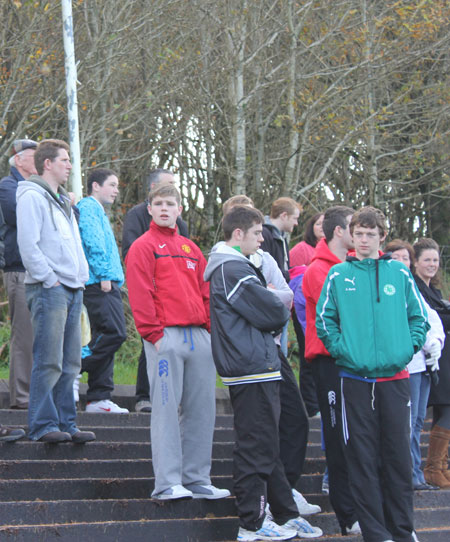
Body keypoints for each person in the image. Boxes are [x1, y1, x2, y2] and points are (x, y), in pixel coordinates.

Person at [205, 205, 322, 541]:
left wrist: (272, 300)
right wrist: (272, 299)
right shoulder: (230, 268)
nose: (263, 239)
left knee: (268, 444)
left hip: (261, 364)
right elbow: (273, 312)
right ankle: (252, 523)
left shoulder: (240, 265)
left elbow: (276, 306)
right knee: (255, 445)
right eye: (258, 233)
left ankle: (285, 513)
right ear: (238, 234)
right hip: (249, 367)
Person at [316, 206, 429, 542]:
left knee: (397, 458)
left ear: (381, 236)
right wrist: (344, 351)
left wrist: (406, 349)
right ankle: (376, 534)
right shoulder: (338, 275)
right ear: (351, 235)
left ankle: (403, 531)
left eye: (370, 234)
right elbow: (325, 321)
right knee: (362, 459)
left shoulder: (399, 273)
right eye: (359, 233)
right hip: (355, 381)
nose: (364, 240)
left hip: (396, 380)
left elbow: (418, 317)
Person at [126, 182, 229, 501]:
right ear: (150, 209)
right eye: (159, 204)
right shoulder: (142, 246)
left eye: (170, 204)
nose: (165, 209)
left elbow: (205, 291)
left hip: (198, 335)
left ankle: (197, 478)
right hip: (165, 336)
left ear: (179, 209)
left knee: (203, 410)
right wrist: (153, 334)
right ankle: (167, 482)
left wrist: (211, 330)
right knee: (166, 411)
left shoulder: (191, 248)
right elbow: (140, 292)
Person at [16, 139, 95, 443]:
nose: (70, 166)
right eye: (64, 160)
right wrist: (50, 279)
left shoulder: (62, 200)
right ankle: (43, 424)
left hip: (72, 288)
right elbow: (28, 245)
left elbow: (72, 244)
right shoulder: (32, 197)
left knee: (71, 361)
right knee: (49, 359)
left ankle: (66, 423)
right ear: (47, 163)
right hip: (51, 289)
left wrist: (80, 277)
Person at [302, 205, 359, 536]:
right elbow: (338, 316)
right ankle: (347, 514)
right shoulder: (317, 270)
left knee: (358, 437)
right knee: (339, 439)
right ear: (339, 231)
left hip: (356, 364)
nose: (361, 234)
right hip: (330, 362)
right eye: (355, 228)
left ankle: (361, 507)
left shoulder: (353, 266)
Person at [122, 168, 188, 413]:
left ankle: (176, 396)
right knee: (149, 342)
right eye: (167, 184)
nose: (172, 187)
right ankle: (144, 396)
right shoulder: (136, 215)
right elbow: (130, 251)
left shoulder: (180, 222)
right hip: (151, 289)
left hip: (178, 295)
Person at [386, 239, 444, 491]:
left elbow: (429, 318)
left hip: (423, 365)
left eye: (405, 258)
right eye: (396, 258)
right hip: (404, 364)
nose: (402, 262)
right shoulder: (390, 288)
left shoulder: (412, 287)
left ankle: (415, 474)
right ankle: (405, 475)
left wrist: (435, 342)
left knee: (418, 420)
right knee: (407, 422)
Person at [77, 168, 128, 413]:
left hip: (107, 281)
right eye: (112, 184)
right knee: (114, 333)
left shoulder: (98, 209)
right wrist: (105, 274)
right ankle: (74, 367)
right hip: (100, 283)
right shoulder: (88, 206)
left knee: (104, 335)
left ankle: (99, 397)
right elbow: (92, 240)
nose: (116, 190)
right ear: (96, 186)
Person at [0, 139, 37, 409]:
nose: (42, 161)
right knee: (24, 337)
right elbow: (21, 217)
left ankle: (35, 394)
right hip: (19, 269)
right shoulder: (7, 186)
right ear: (20, 160)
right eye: (36, 156)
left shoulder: (37, 189)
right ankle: (22, 399)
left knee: (38, 336)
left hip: (39, 270)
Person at [412, 238, 450, 489]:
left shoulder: (434, 291)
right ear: (415, 262)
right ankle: (432, 467)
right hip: (428, 361)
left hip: (441, 360)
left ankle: (439, 467)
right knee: (438, 413)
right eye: (427, 259)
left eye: (435, 260)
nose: (432, 264)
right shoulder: (416, 288)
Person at [289, 213, 324, 419]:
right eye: (318, 223)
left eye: (324, 224)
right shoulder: (301, 249)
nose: (321, 227)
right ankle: (311, 404)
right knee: (307, 358)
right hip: (304, 311)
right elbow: (293, 278)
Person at [261, 197, 302, 356]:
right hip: (271, 297)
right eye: (295, 218)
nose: (296, 223)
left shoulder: (281, 237)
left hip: (281, 297)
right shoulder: (265, 234)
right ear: (284, 215)